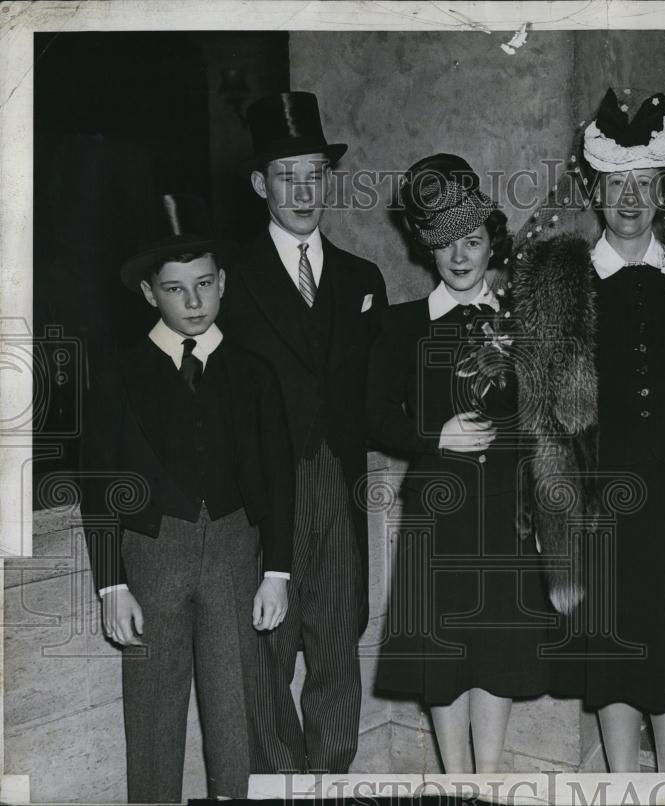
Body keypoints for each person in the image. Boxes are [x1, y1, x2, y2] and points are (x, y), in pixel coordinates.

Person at [514, 88, 665, 773]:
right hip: (600, 505)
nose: (629, 199)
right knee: (615, 650)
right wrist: (555, 516)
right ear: (595, 190)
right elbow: (539, 416)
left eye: (643, 185)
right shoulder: (561, 279)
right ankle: (623, 784)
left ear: (660, 191)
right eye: (616, 185)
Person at [79, 193, 293, 802]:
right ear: (150, 294)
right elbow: (99, 483)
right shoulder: (119, 374)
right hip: (152, 554)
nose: (194, 302)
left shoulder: (254, 373)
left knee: (234, 713)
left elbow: (281, 480)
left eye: (204, 284)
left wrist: (275, 569)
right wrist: (110, 583)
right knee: (151, 714)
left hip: (233, 551)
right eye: (175, 289)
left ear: (222, 282)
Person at [368, 153, 555, 773]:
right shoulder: (401, 327)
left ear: (489, 244)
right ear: (427, 249)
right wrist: (435, 435)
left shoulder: (520, 324)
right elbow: (373, 416)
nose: (459, 255)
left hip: (505, 512)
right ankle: (454, 780)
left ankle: (490, 778)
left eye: (471, 240)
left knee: (497, 648)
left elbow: (544, 421)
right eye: (445, 243)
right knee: (444, 654)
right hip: (439, 509)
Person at [220, 91, 388, 773]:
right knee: (262, 657)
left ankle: (330, 782)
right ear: (261, 185)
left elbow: (379, 397)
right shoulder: (227, 279)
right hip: (265, 494)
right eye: (286, 176)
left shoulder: (360, 278)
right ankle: (281, 783)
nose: (302, 191)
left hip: (339, 488)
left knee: (336, 657)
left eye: (314, 174)